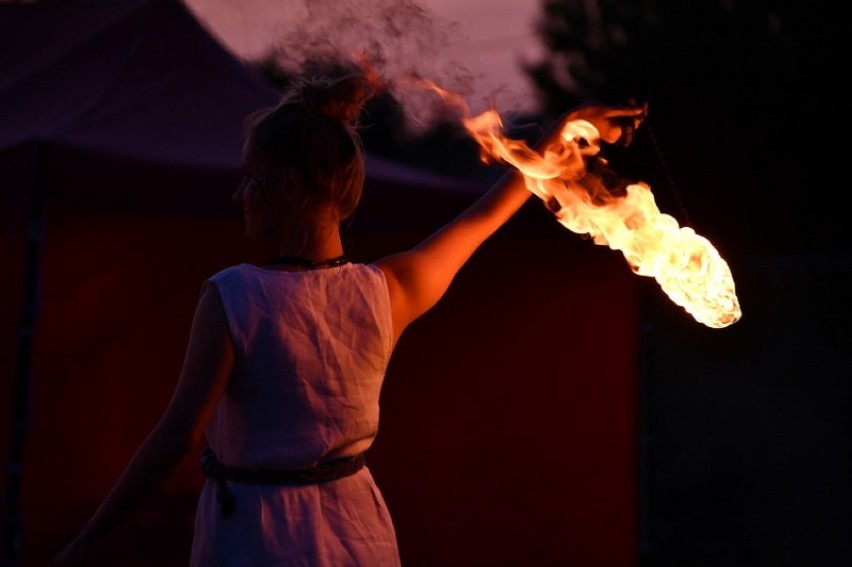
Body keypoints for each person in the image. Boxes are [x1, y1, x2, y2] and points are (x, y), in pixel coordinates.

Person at [50, 69, 646, 566]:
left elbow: (177, 437)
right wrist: (562, 138)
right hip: (356, 532)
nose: (240, 196)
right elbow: (485, 217)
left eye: (250, 179)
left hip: (259, 539)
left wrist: (83, 543)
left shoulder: (234, 296)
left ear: (286, 186)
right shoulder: (389, 290)